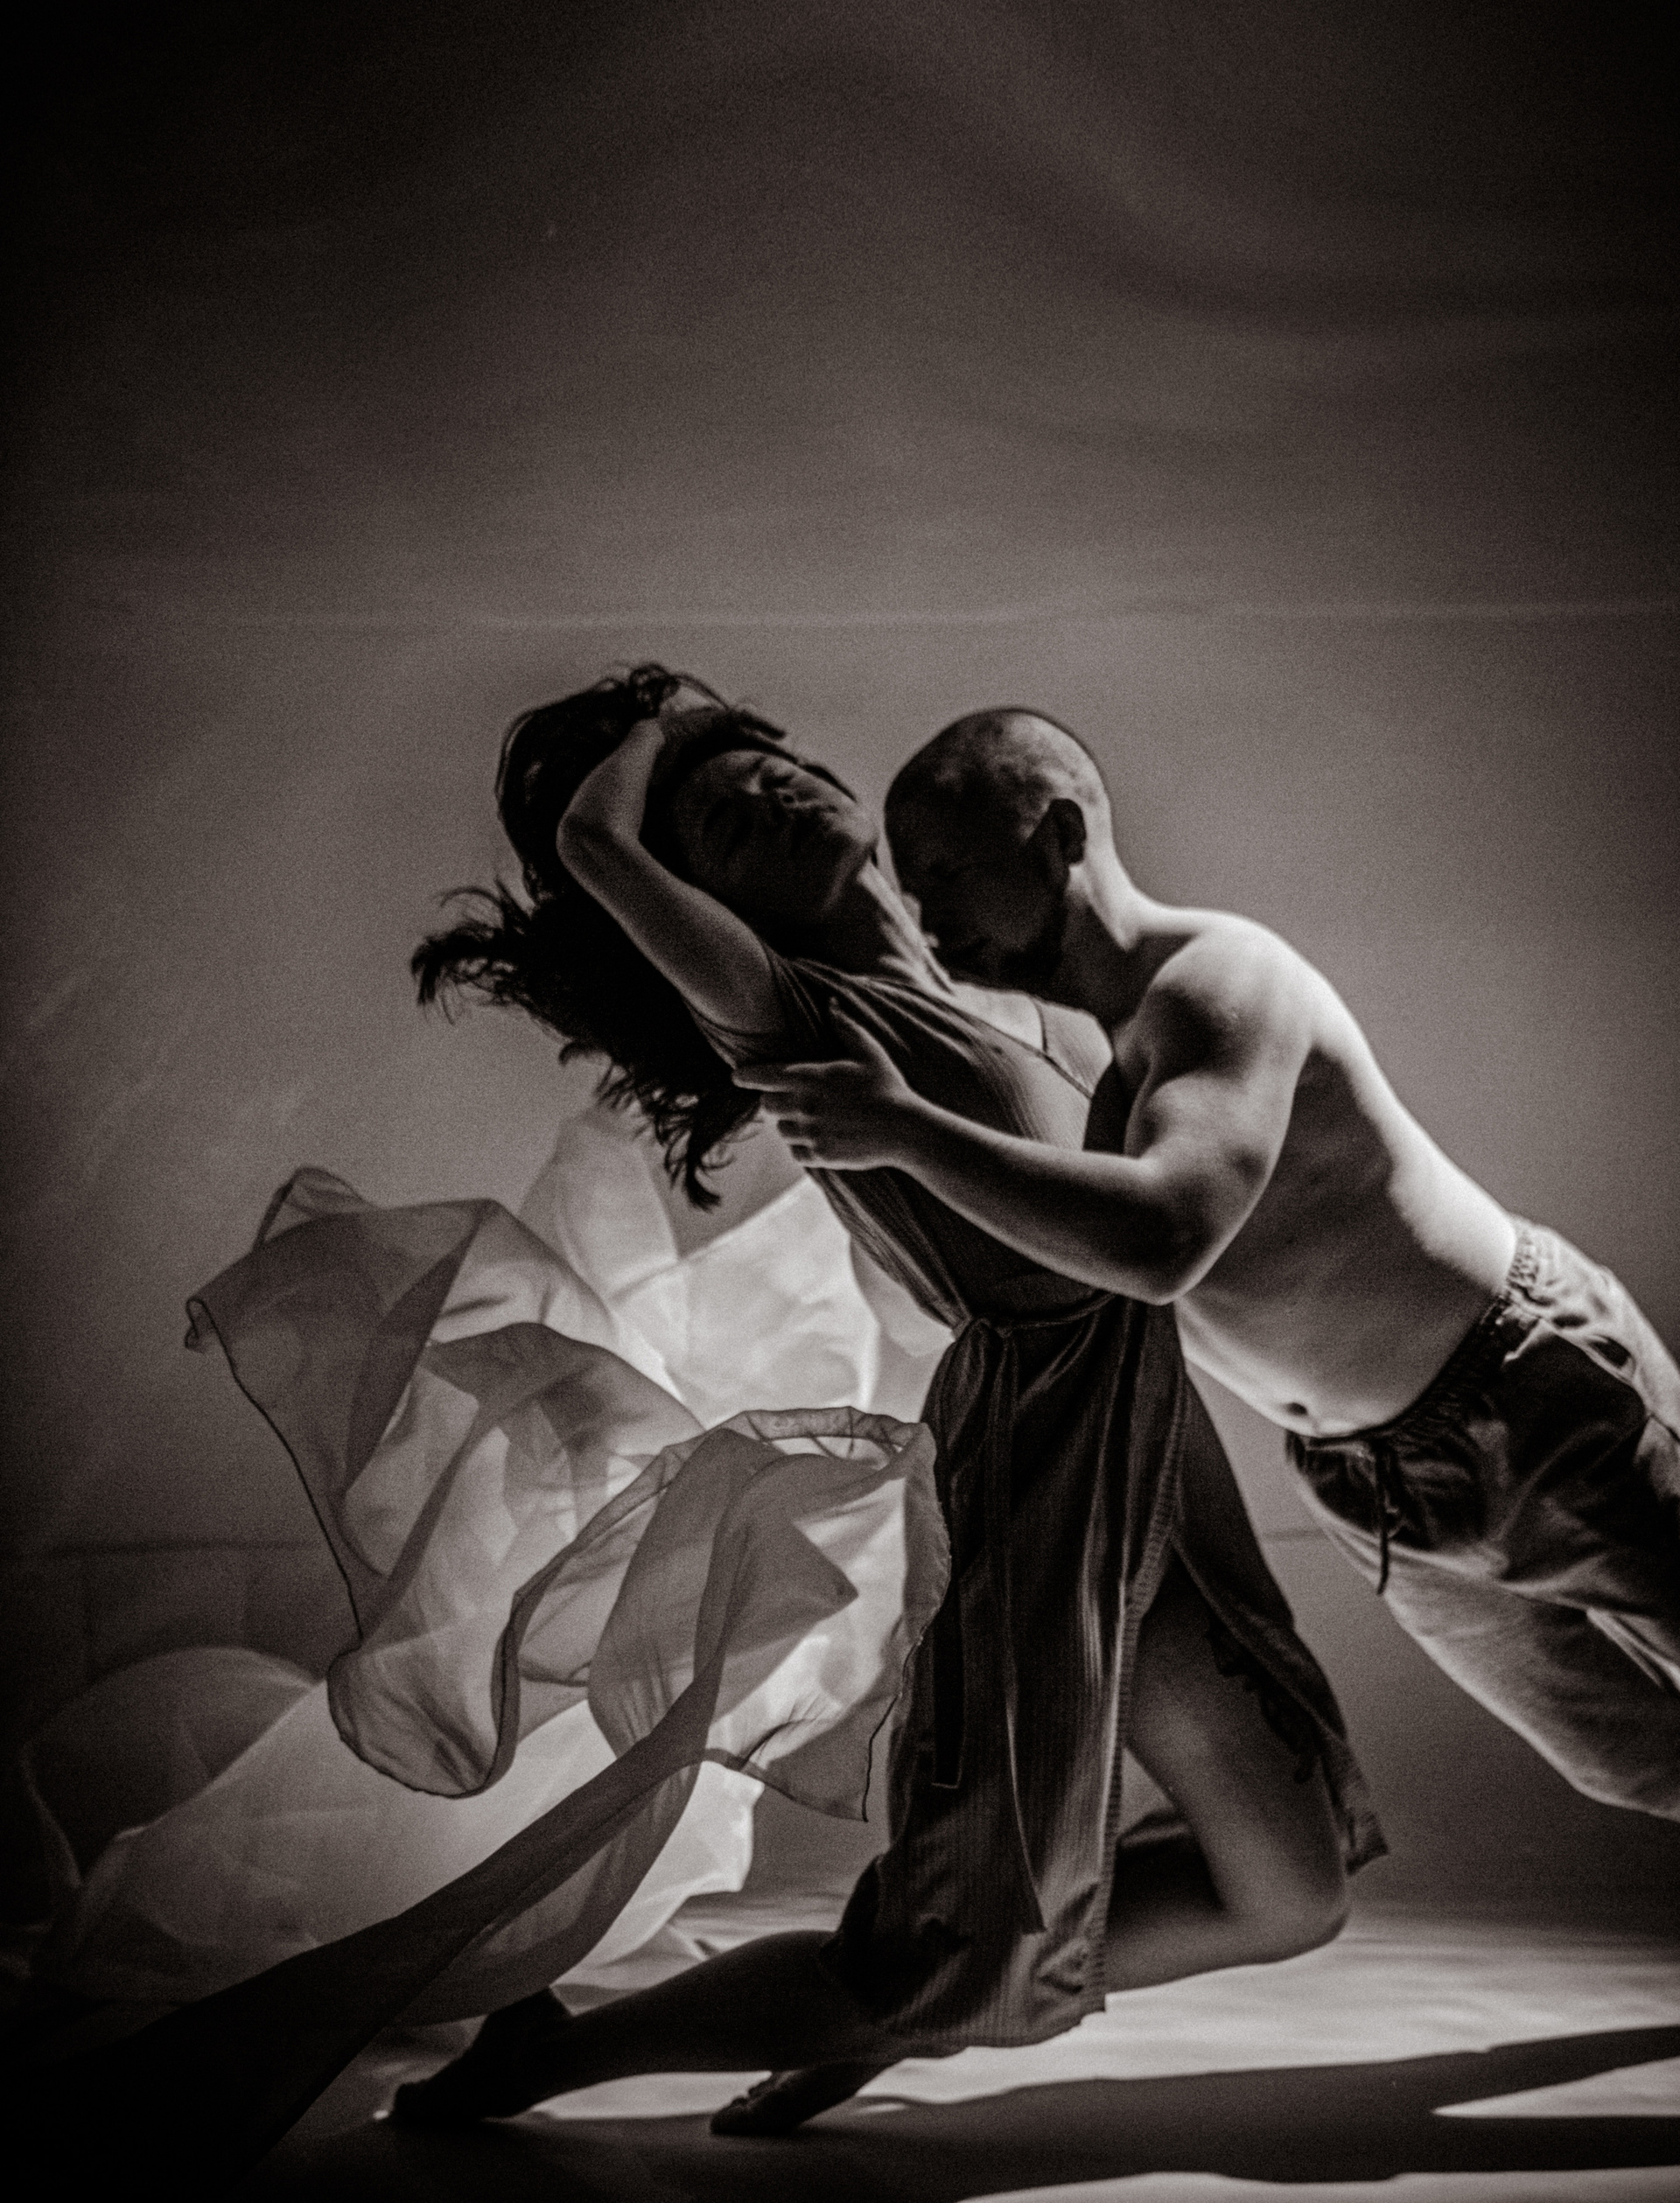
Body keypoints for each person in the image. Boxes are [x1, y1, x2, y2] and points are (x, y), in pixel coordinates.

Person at [391, 665, 1382, 2138]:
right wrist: (660, 722)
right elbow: (596, 849)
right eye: (725, 823)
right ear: (706, 897)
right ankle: (553, 2054)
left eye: (772, 766)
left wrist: (704, 748)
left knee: (1295, 1887)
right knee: (946, 1943)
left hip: (1143, 1436)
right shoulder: (788, 1013)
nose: (775, 794)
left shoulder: (985, 1000)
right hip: (1049, 1461)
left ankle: (889, 2016)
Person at [744, 706, 1680, 1853]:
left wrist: (905, 1131)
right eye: (911, 885)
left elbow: (1163, 1239)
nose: (931, 916)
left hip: (1524, 1392)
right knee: (1636, 1759)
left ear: (1060, 833)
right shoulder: (1101, 1059)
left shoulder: (1215, 981)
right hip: (1368, 1477)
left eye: (948, 872)